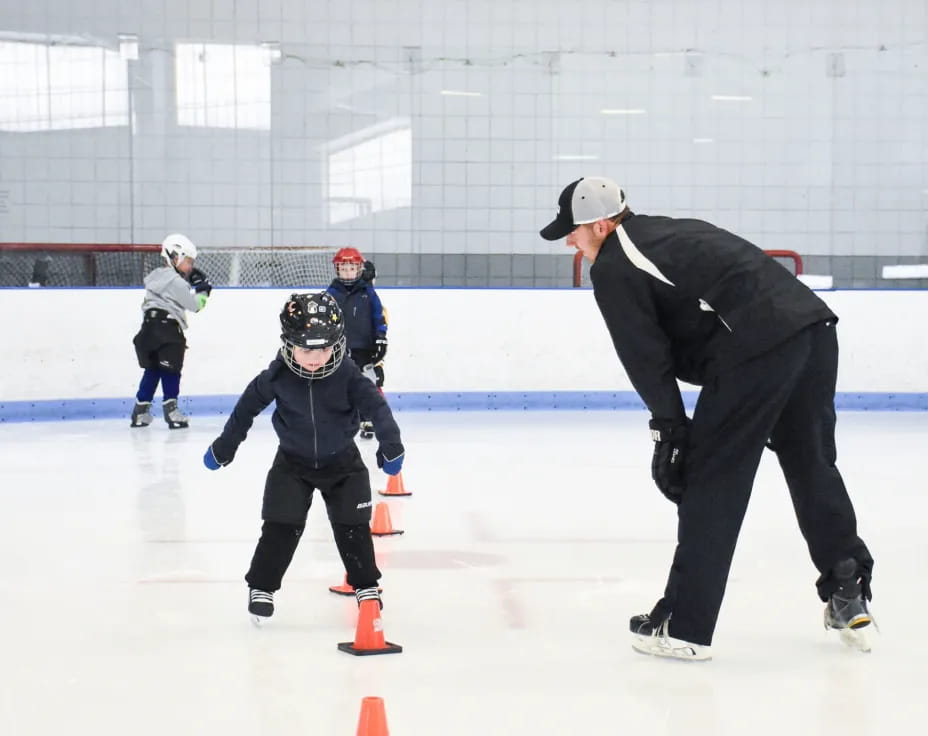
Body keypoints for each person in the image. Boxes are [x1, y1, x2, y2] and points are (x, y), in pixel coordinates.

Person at [539, 177, 874, 660]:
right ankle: (847, 587)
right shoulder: (670, 231)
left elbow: (643, 354)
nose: (571, 240)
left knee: (713, 480)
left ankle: (685, 626)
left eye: (574, 231)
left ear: (602, 224)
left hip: (757, 346)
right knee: (811, 463)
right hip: (813, 329)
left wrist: (670, 429)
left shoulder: (615, 263)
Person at [202, 292, 404, 623]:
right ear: (289, 343)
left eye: (323, 348)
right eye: (306, 348)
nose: (314, 357)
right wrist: (225, 447)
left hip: (344, 464)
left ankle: (366, 586)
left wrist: (391, 444)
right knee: (280, 525)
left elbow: (377, 408)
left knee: (352, 527)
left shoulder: (349, 375)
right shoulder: (277, 376)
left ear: (337, 344)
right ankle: (262, 587)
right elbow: (246, 409)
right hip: (292, 464)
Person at [130, 233, 211, 429]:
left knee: (153, 370)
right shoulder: (176, 282)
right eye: (188, 261)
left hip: (147, 330)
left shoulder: (155, 278)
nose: (191, 266)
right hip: (167, 331)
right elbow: (194, 305)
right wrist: (203, 292)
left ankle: (140, 412)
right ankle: (172, 412)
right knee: (171, 371)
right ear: (175, 257)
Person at [326, 248, 388, 439]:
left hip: (364, 349)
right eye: (343, 269)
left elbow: (378, 317)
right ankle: (338, 419)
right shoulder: (330, 294)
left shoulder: (368, 294)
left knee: (367, 382)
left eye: (351, 268)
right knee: (337, 384)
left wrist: (380, 339)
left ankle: (368, 419)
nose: (347, 272)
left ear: (359, 269)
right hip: (339, 349)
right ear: (337, 270)